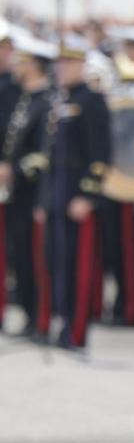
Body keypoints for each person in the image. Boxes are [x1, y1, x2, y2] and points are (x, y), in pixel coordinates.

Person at [37, 35, 111, 350]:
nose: (62, 68)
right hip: (56, 192)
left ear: (81, 64)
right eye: (60, 62)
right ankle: (59, 322)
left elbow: (101, 156)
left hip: (77, 196)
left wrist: (88, 195)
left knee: (77, 267)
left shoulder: (93, 101)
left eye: (69, 62)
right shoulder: (60, 100)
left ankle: (76, 330)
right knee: (56, 262)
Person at [3, 35, 54, 338]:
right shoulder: (26, 99)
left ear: (34, 65)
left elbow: (44, 154)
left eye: (22, 61)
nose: (17, 66)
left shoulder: (46, 102)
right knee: (19, 254)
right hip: (18, 193)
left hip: (34, 191)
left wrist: (15, 170)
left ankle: (39, 317)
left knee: (35, 258)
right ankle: (28, 314)